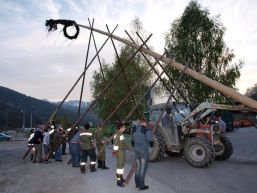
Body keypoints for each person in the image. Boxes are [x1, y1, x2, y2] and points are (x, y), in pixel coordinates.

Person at [131, 117, 153, 191]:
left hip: (136, 151)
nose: (146, 124)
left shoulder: (134, 129)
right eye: (146, 123)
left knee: (138, 168)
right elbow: (151, 143)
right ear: (144, 122)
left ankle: (137, 184)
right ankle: (141, 185)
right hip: (143, 152)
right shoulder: (146, 130)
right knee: (142, 169)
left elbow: (132, 142)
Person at [113, 122, 127, 187]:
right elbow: (115, 144)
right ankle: (118, 181)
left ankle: (121, 178)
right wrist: (114, 152)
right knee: (119, 167)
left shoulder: (121, 134)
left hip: (122, 152)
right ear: (121, 128)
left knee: (122, 166)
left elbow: (123, 143)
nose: (125, 128)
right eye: (124, 127)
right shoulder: (118, 134)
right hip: (120, 152)